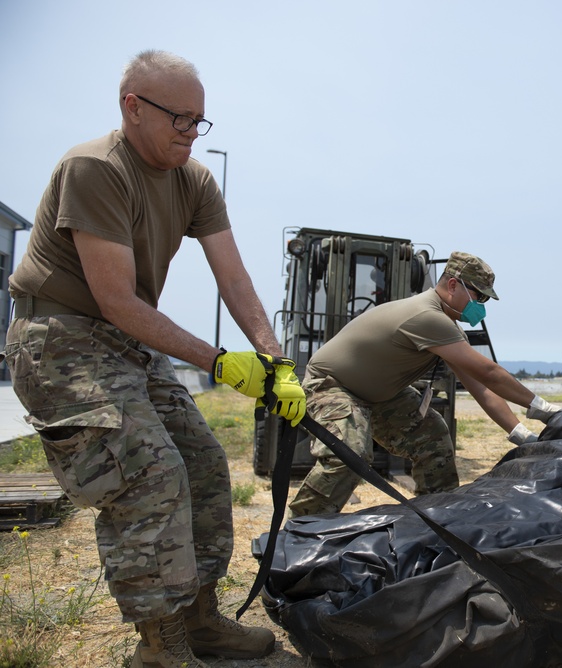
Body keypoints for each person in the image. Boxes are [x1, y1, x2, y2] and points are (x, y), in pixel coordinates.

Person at [2, 50, 306, 668]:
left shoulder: (194, 179)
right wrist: (220, 362)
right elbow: (116, 299)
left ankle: (199, 621)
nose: (191, 133)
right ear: (132, 107)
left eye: (200, 122)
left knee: (202, 462)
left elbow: (234, 276)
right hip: (61, 336)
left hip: (127, 338)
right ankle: (160, 647)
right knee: (149, 471)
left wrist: (274, 362)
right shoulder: (95, 168)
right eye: (180, 119)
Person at [287, 251, 562, 518]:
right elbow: (490, 373)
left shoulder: (448, 328)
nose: (480, 305)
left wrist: (521, 434)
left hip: (381, 395)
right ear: (453, 285)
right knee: (349, 454)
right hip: (332, 386)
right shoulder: (426, 316)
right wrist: (542, 408)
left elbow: (481, 387)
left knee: (433, 438)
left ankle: (436, 519)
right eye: (479, 297)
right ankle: (297, 531)